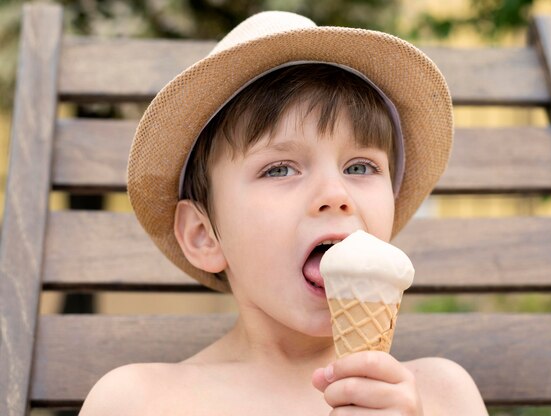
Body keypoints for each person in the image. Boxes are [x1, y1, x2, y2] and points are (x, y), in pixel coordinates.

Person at [79, 11, 488, 415]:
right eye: (279, 169)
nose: (335, 194)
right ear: (204, 235)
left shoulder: (442, 396)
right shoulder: (140, 401)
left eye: (360, 167)